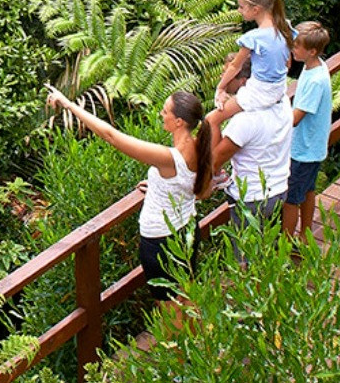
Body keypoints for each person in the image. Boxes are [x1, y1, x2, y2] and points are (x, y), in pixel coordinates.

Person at [44, 85, 213, 300]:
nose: (161, 115)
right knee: (185, 298)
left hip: (163, 241)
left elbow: (111, 135)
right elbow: (202, 191)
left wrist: (68, 104)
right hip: (188, 228)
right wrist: (161, 186)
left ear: (179, 122)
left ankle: (181, 335)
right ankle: (193, 334)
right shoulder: (201, 147)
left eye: (165, 111)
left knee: (171, 310)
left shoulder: (169, 158)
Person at [205, 0, 294, 138]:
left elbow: (235, 67)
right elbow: (287, 63)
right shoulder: (284, 27)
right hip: (279, 90)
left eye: (241, 7)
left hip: (259, 93)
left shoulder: (254, 37)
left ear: (255, 10)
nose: (239, 11)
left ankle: (213, 161)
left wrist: (220, 88)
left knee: (211, 120)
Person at [283, 21, 333, 240]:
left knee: (292, 197)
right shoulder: (315, 66)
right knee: (308, 189)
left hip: (304, 148)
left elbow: (295, 118)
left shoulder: (316, 80)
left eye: (296, 46)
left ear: (311, 51)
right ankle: (305, 235)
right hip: (312, 144)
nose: (293, 49)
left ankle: (286, 243)